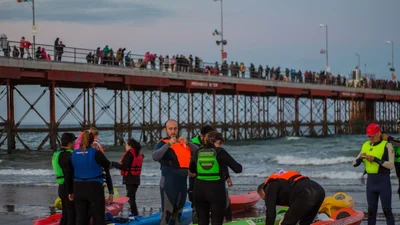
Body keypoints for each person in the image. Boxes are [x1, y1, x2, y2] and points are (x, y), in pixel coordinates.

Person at [190, 131, 242, 225]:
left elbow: (192, 169)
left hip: (199, 190)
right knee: (217, 222)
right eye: (220, 143)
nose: (221, 145)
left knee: (202, 222)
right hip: (216, 190)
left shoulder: (198, 152)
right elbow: (238, 169)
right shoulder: (219, 151)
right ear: (215, 141)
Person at [152, 119, 198, 225]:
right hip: (169, 182)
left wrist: (189, 143)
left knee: (177, 214)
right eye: (170, 129)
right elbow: (155, 156)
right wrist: (168, 144)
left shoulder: (183, 143)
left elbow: (199, 151)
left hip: (181, 183)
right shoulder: (162, 143)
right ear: (165, 130)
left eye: (175, 128)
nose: (173, 131)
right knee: (167, 214)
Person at [67, 130, 114, 225]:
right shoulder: (96, 153)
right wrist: (110, 191)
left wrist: (70, 191)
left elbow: (69, 174)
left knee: (80, 219)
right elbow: (108, 166)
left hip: (78, 188)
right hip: (94, 188)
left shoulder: (72, 154)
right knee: (98, 218)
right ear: (93, 141)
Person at [353, 123, 395, 225]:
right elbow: (354, 163)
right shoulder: (365, 145)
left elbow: (390, 165)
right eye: (368, 136)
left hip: (383, 182)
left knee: (387, 210)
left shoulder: (387, 145)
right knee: (371, 212)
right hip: (371, 183)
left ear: (378, 133)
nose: (370, 138)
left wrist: (375, 159)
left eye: (372, 135)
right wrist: (360, 158)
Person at [256, 170, 325, 225]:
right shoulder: (280, 182)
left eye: (264, 198)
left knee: (286, 223)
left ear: (262, 190)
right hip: (320, 190)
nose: (265, 200)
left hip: (306, 193)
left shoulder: (270, 187)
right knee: (305, 223)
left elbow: (270, 213)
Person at [111, 138, 144, 216]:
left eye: (126, 144)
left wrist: (113, 164)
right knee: (131, 197)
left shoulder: (130, 154)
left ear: (130, 145)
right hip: (136, 179)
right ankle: (134, 213)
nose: (125, 146)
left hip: (130, 179)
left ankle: (135, 214)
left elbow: (124, 167)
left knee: (130, 198)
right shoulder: (138, 153)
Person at [52, 133, 76, 225]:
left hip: (61, 187)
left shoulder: (57, 154)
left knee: (66, 214)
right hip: (68, 187)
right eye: (74, 142)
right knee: (71, 215)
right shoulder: (67, 156)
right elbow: (69, 174)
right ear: (70, 143)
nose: (74, 144)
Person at [381, 118, 400, 200]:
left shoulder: (396, 140)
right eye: (398, 126)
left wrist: (389, 138)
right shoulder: (397, 140)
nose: (398, 127)